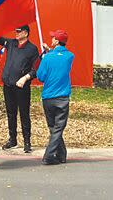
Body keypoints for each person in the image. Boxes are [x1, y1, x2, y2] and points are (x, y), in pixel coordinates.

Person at [0, 24, 41, 153]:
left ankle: (27, 141)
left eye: (19, 31)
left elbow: (35, 69)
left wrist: (26, 78)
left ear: (26, 33)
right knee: (11, 113)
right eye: (15, 31)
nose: (16, 33)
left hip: (21, 86)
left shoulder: (32, 49)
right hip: (8, 84)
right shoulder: (11, 43)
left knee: (24, 113)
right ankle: (12, 139)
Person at [36, 29, 74, 166]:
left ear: (57, 41)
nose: (51, 40)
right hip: (62, 97)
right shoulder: (70, 56)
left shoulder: (48, 58)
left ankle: (50, 155)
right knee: (58, 128)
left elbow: (40, 76)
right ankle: (61, 155)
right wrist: (49, 52)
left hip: (48, 96)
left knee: (53, 127)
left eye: (53, 38)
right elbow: (61, 56)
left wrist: (46, 55)